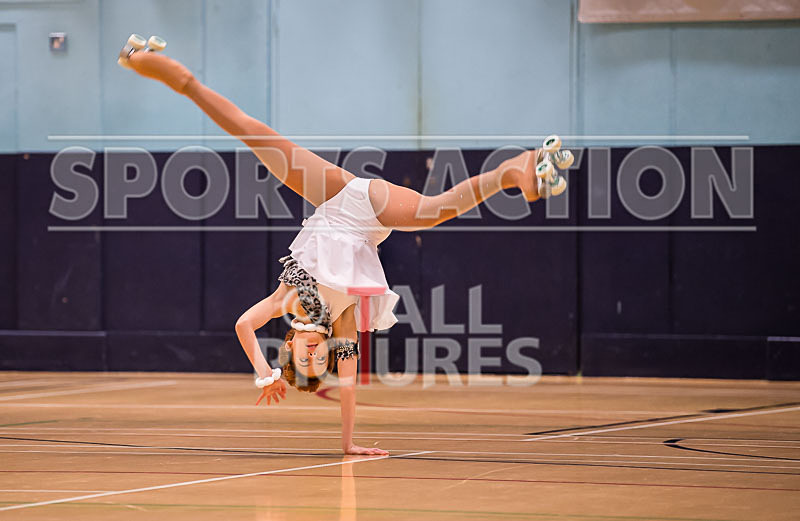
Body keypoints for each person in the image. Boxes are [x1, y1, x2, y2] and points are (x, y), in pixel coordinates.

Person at [119, 35, 571, 455]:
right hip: (370, 221)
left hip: (337, 199)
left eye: (304, 358)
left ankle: (152, 63)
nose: (315, 355)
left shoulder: (284, 302)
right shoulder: (344, 322)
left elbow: (243, 325)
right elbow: (350, 387)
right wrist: (348, 444)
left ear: (290, 345)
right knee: (433, 212)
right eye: (320, 362)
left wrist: (264, 374)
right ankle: (513, 170)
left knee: (250, 131)